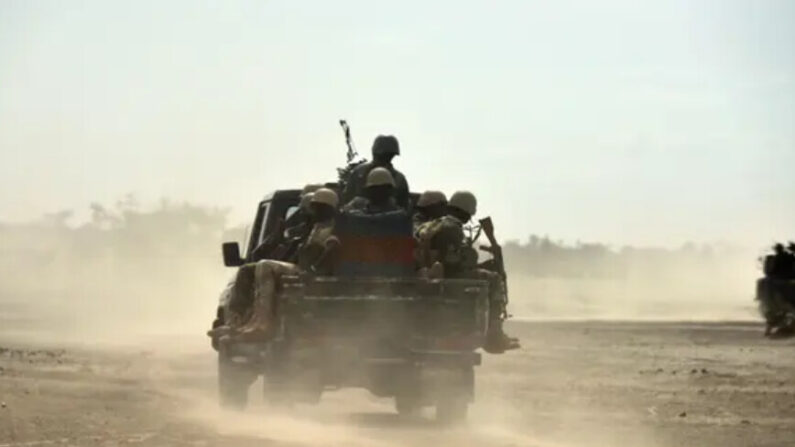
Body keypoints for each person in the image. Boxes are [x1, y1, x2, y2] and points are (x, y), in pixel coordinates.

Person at [219, 189, 341, 341]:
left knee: (265, 266)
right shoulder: (311, 228)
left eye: (318, 207)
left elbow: (332, 247)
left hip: (310, 272)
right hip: (301, 268)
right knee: (248, 269)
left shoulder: (334, 227)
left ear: (329, 208)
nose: (313, 211)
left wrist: (314, 268)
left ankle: (263, 322)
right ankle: (238, 323)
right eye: (314, 206)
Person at [416, 191, 519, 354]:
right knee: (493, 279)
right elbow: (452, 262)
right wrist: (475, 262)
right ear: (465, 211)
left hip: (435, 273)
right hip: (449, 277)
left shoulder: (436, 224)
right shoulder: (451, 228)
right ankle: (494, 335)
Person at [342, 135, 410, 209]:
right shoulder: (359, 173)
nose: (385, 159)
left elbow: (404, 206)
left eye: (388, 155)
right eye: (382, 155)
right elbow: (347, 198)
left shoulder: (399, 179)